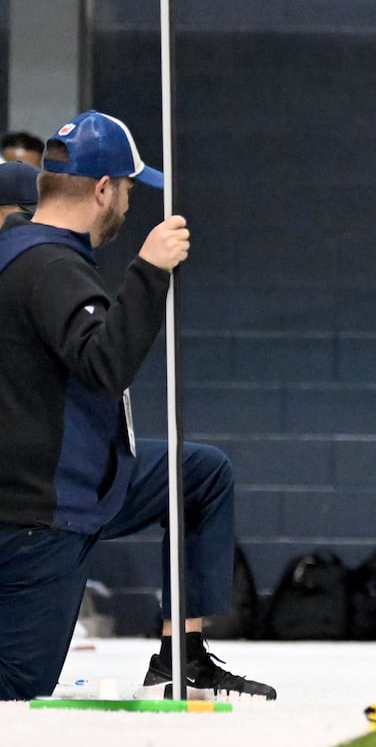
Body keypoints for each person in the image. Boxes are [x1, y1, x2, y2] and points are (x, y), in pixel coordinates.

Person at [0, 110, 276, 701]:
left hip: (83, 483)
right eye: (127, 189)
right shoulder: (51, 267)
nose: (127, 202)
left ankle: (184, 655)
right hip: (42, 512)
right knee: (17, 690)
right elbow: (104, 365)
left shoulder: (27, 251)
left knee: (196, 474)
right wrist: (149, 272)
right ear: (103, 188)